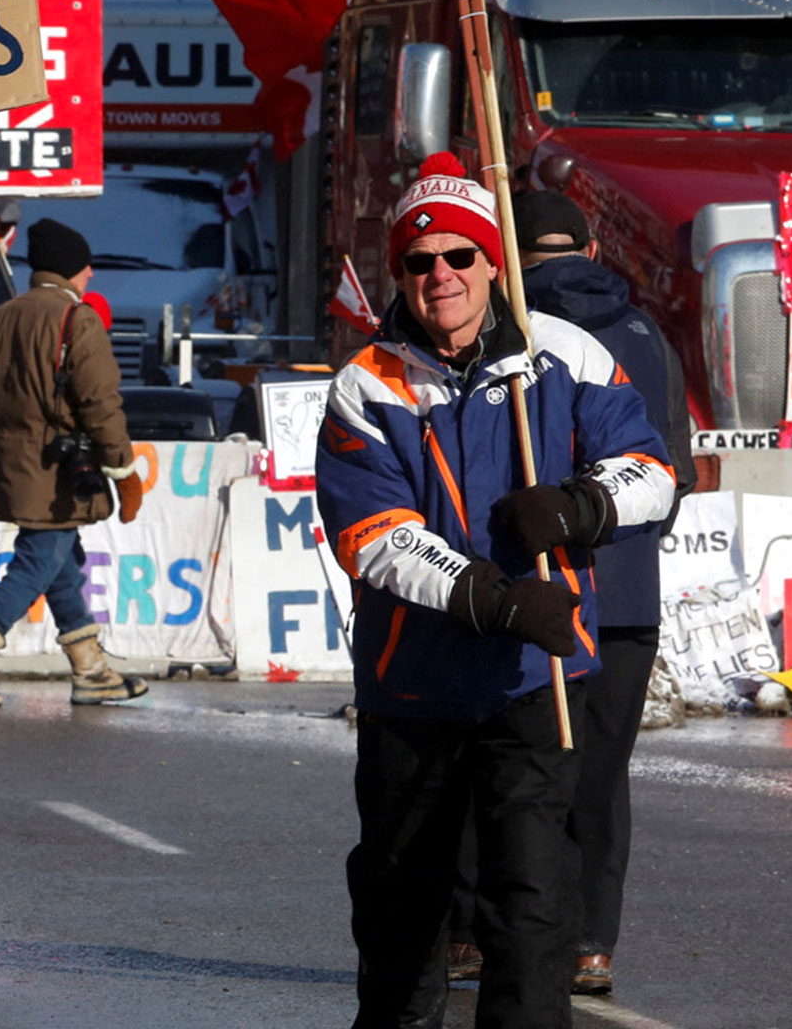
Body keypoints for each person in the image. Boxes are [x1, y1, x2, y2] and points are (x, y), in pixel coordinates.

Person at [313, 153, 674, 1029]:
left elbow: (654, 474)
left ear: (492, 265)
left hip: (532, 682)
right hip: (414, 684)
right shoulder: (368, 383)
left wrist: (582, 505)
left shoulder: (566, 357)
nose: (441, 275)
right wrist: (494, 598)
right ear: (400, 272)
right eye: (420, 260)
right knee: (402, 902)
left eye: (459, 257)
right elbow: (376, 538)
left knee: (532, 899)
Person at [516, 190, 696, 996]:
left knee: (510, 763)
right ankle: (590, 943)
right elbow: (674, 473)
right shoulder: (645, 334)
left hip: (527, 587)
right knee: (598, 773)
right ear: (590, 252)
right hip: (624, 595)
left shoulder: (502, 336)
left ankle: (483, 937)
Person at [0, 217, 148, 709]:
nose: (90, 276)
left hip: (12, 470)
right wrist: (124, 473)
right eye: (86, 269)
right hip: (59, 476)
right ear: (72, 271)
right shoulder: (77, 319)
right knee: (37, 564)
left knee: (60, 564)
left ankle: (92, 670)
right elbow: (101, 405)